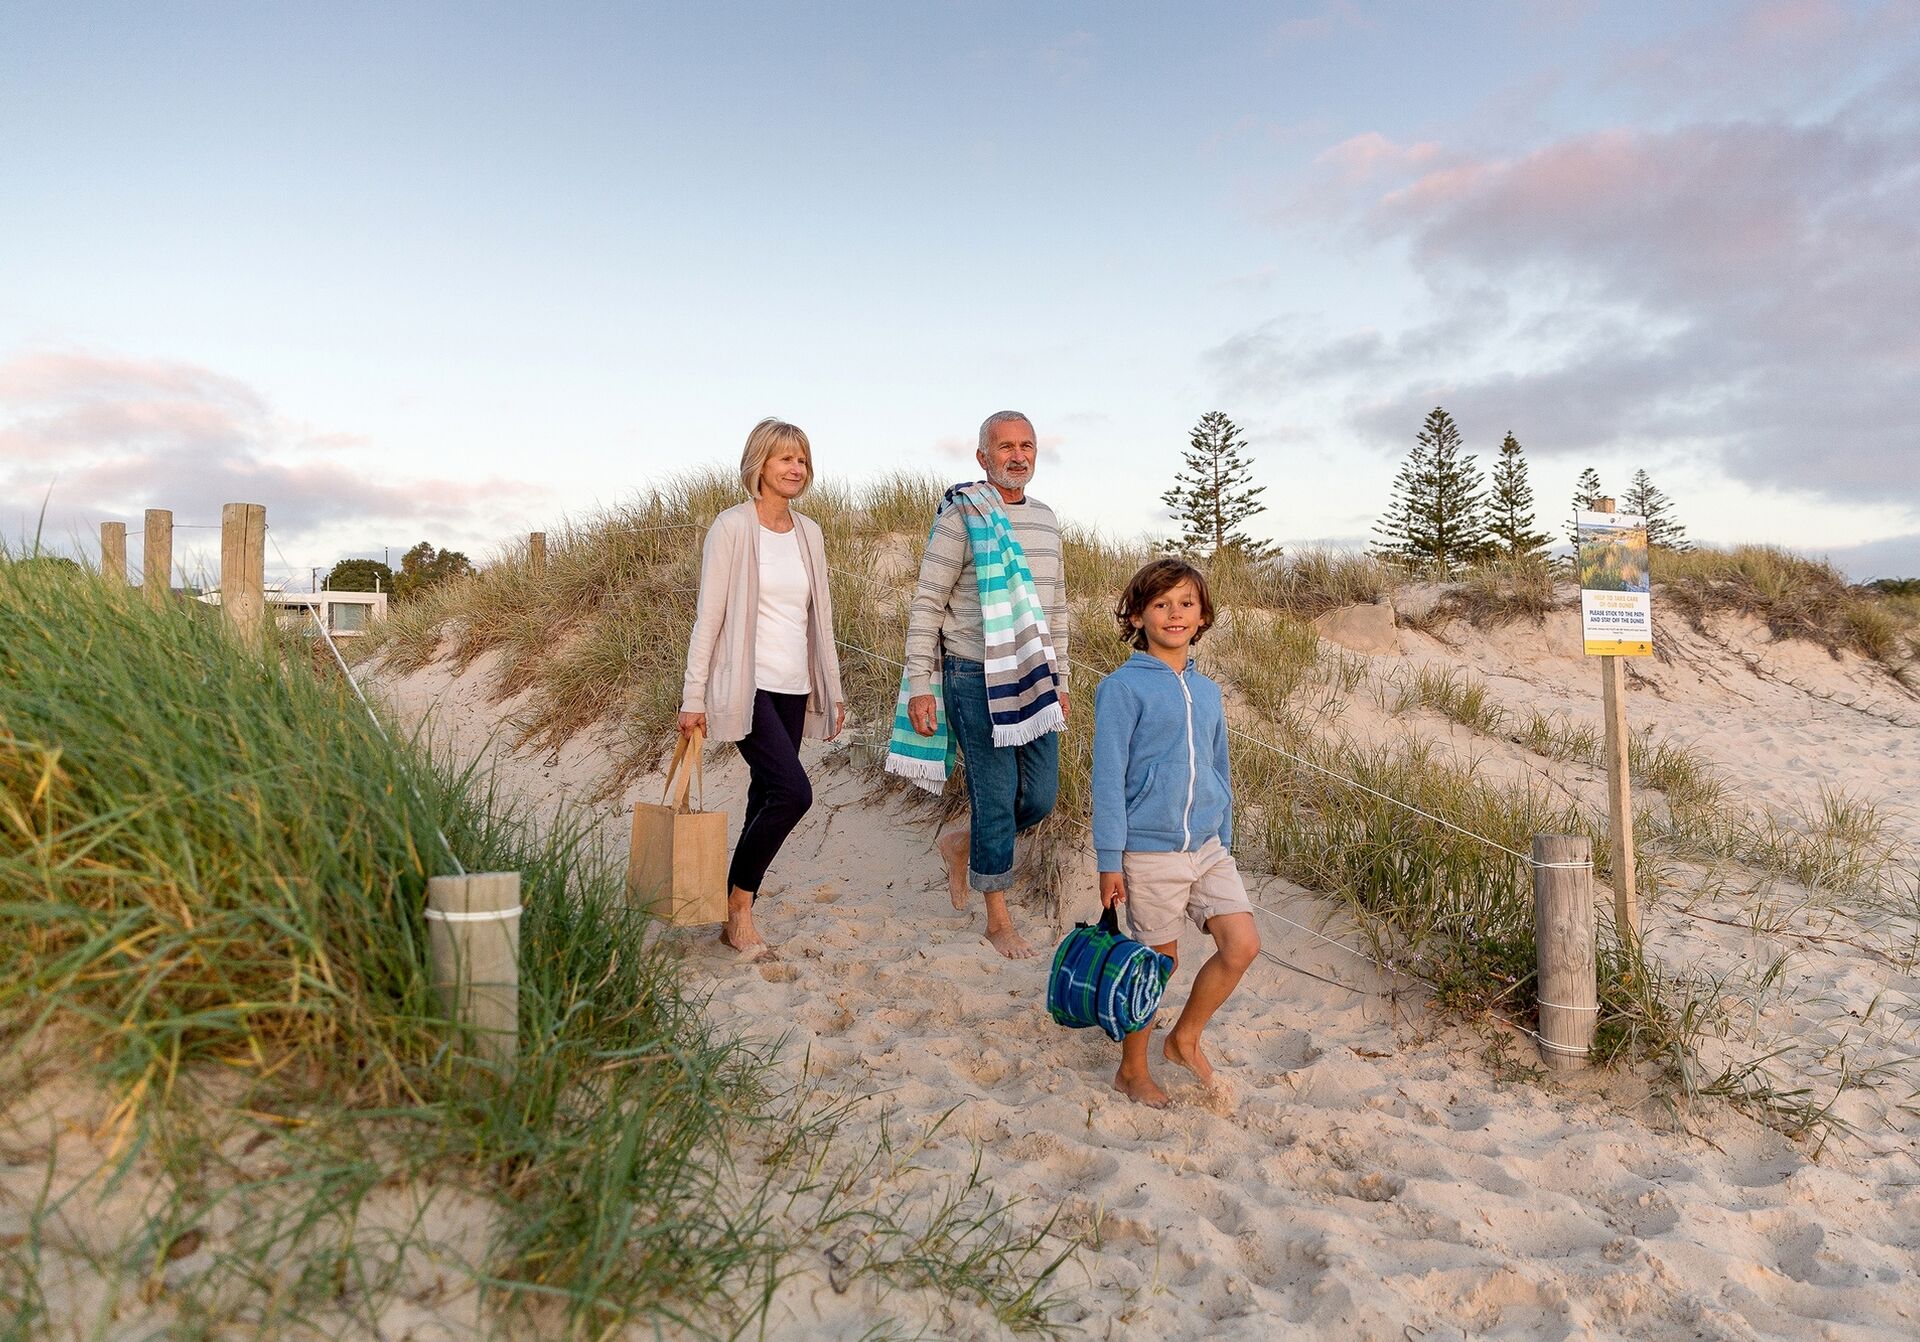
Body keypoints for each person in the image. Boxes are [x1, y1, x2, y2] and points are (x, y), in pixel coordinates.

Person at [900, 411, 1069, 959]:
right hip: (975, 671)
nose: (1017, 456)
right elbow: (929, 601)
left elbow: (1056, 607)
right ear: (982, 457)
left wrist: (1060, 677)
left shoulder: (1046, 520)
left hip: (1035, 673)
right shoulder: (963, 515)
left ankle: (961, 845)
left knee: (1039, 796)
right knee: (994, 797)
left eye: (1027, 446)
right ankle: (998, 918)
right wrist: (921, 684)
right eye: (1005, 447)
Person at [1092, 558, 1260, 1106]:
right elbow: (1108, 777)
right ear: (1138, 616)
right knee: (1156, 966)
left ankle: (1184, 1039)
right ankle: (1132, 1070)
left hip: (1208, 847)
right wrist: (1109, 858)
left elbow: (1220, 768)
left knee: (1242, 944)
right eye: (1161, 604)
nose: (1174, 614)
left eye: (1186, 603)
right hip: (1148, 849)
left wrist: (1225, 837)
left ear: (1203, 615)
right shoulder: (1122, 688)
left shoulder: (1208, 692)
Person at [680, 418, 846, 957]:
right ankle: (739, 904)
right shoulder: (731, 527)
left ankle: (733, 905)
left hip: (794, 686)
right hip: (744, 684)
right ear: (760, 465)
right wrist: (693, 696)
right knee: (794, 793)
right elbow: (709, 618)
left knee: (765, 793)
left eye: (802, 459)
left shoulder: (809, 533)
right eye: (784, 459)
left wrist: (831, 687)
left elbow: (819, 617)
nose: (796, 468)